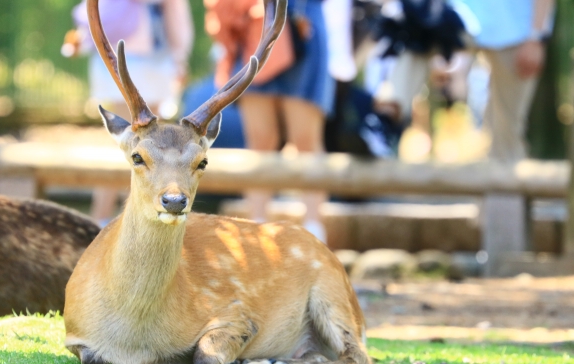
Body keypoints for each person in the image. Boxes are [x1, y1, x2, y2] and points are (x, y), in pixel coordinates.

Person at [205, 0, 334, 242]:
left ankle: (314, 231)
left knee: (305, 139)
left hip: (301, 24)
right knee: (260, 140)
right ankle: (255, 232)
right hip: (253, 23)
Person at [375, 0, 554, 163]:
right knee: (414, 37)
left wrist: (537, 37)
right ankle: (386, 115)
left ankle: (506, 188)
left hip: (516, 30)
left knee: (507, 130)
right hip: (459, 16)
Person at [64, 0, 194, 225]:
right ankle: (101, 218)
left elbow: (175, 12)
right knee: (127, 140)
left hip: (157, 57)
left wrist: (180, 57)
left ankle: (133, 217)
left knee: (148, 143)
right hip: (123, 57)